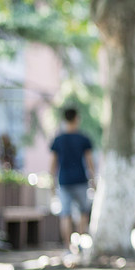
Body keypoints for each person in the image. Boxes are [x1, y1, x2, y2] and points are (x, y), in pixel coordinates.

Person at [50, 107, 96, 249]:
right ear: (77, 119)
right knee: (83, 212)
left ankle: (68, 246)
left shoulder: (58, 139)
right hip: (81, 180)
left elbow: (53, 163)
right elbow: (89, 162)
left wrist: (52, 181)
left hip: (64, 181)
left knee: (65, 214)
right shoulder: (83, 138)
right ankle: (81, 243)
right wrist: (93, 179)